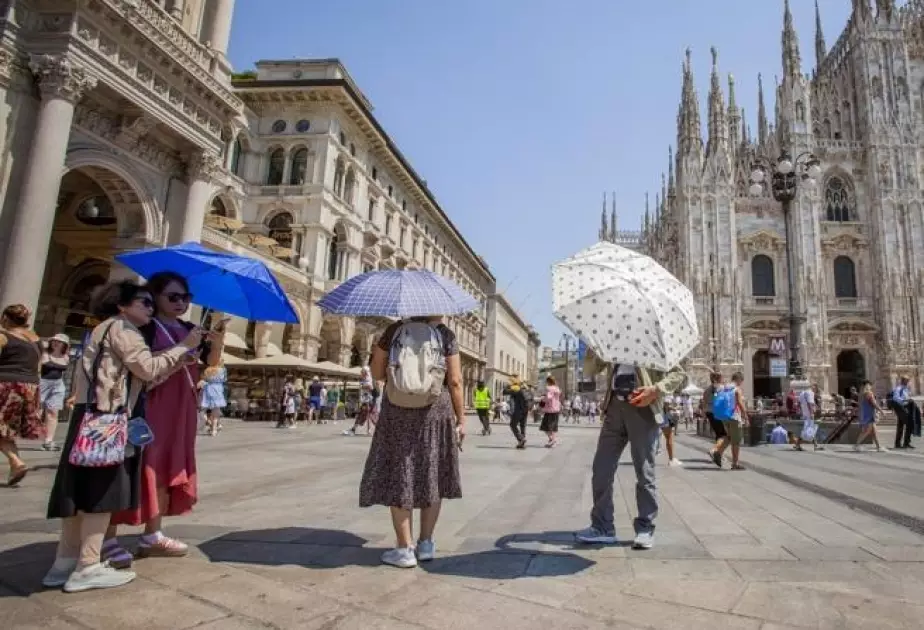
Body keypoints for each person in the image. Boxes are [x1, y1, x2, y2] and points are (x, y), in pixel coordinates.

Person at [44, 281, 202, 592]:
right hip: (107, 420)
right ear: (122, 305)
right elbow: (145, 368)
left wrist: (174, 363)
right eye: (143, 301)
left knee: (79, 492)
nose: (149, 306)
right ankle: (88, 565)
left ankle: (64, 562)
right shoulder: (123, 329)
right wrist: (184, 347)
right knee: (102, 494)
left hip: (89, 416)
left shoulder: (105, 328)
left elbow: (143, 375)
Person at [108, 271, 225, 560]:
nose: (181, 302)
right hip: (151, 403)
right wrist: (182, 349)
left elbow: (209, 365)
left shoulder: (190, 327)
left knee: (167, 466)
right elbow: (143, 368)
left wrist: (218, 339)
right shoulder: (145, 327)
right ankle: (107, 536)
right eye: (173, 297)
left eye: (186, 298)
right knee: (138, 464)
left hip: (181, 405)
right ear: (155, 296)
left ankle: (152, 533)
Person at [360, 316, 463, 568]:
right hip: (435, 409)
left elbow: (376, 374)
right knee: (432, 472)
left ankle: (404, 549)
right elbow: (456, 381)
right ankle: (426, 543)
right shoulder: (445, 334)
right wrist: (461, 419)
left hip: (397, 408)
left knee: (400, 471)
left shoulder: (394, 330)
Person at [576, 350, 684, 549]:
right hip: (614, 409)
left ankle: (645, 528)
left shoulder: (652, 339)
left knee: (644, 472)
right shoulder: (612, 341)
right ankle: (602, 526)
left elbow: (679, 374)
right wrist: (593, 349)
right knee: (601, 469)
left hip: (643, 409)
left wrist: (656, 389)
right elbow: (591, 370)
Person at [0, 304, 43, 486]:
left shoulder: (3, 337)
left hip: (6, 383)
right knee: (5, 430)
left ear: (5, 318)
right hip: (30, 386)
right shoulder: (35, 339)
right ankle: (16, 464)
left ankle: (16, 461)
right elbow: (39, 366)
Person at [39, 333, 72, 452]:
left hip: (57, 383)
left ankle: (48, 440)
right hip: (42, 382)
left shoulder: (66, 357)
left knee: (53, 412)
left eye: (59, 341)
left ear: (65, 345)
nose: (56, 343)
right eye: (54, 340)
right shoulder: (44, 352)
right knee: (37, 410)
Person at [712, 372, 747, 470]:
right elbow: (739, 403)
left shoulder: (724, 387)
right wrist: (746, 416)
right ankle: (734, 464)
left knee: (730, 437)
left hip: (725, 417)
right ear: (739, 380)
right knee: (736, 441)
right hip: (734, 417)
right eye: (741, 381)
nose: (741, 383)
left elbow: (715, 397)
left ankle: (718, 452)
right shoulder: (736, 389)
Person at [703, 372, 728, 466]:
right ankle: (715, 450)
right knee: (724, 435)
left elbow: (704, 401)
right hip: (717, 412)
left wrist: (704, 414)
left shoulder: (707, 389)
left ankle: (720, 453)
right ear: (719, 378)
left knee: (719, 434)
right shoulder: (720, 388)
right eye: (722, 377)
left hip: (709, 412)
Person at [198, 363, 227, 437]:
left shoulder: (207, 370)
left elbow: (200, 382)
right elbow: (224, 379)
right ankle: (214, 429)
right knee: (215, 414)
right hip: (217, 391)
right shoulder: (222, 370)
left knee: (202, 411)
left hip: (208, 391)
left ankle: (211, 425)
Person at [855, 380, 884, 452]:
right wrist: (881, 410)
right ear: (867, 385)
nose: (871, 387)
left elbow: (860, 405)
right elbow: (873, 403)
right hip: (869, 415)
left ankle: (878, 447)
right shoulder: (868, 393)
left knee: (873, 432)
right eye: (870, 385)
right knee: (867, 431)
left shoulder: (861, 394)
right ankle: (856, 445)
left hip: (865, 415)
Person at [795, 384, 822, 452]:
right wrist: (811, 413)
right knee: (807, 431)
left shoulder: (802, 393)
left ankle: (816, 445)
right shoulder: (810, 393)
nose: (816, 392)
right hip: (809, 415)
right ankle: (798, 444)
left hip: (805, 415)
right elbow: (810, 404)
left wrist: (799, 410)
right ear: (814, 388)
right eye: (816, 390)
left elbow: (798, 403)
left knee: (810, 430)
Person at [504, 378, 529, 449]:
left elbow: (504, 392)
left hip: (519, 410)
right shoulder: (526, 388)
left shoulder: (516, 389)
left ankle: (521, 439)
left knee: (512, 425)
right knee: (522, 426)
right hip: (526, 410)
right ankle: (521, 443)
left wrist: (508, 385)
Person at [890, 376, 914, 450]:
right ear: (903, 381)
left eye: (908, 381)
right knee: (909, 423)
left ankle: (898, 443)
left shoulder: (905, 389)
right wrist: (905, 401)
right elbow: (896, 398)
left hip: (904, 408)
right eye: (907, 381)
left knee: (900, 425)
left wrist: (907, 400)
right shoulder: (898, 388)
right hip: (901, 408)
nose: (908, 382)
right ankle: (906, 443)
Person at [540, 375, 562, 447]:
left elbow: (548, 398)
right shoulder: (557, 388)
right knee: (552, 427)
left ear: (548, 381)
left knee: (546, 427)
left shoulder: (549, 388)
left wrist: (542, 399)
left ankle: (552, 440)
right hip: (556, 409)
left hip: (550, 409)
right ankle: (552, 441)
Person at [660, 397, 683, 467]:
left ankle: (671, 458)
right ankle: (671, 459)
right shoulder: (666, 396)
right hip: (666, 422)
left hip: (663, 421)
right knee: (669, 440)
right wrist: (674, 408)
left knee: (668, 440)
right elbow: (666, 405)